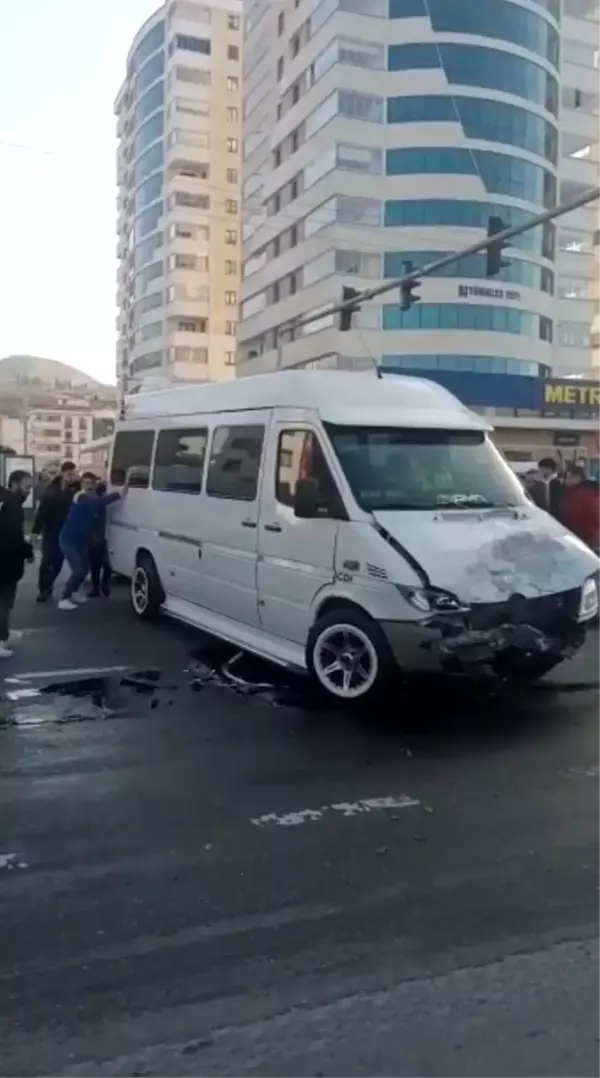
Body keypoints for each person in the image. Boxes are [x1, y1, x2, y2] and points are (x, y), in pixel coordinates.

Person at [58, 472, 122, 611]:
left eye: (92, 483)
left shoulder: (94, 498)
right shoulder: (80, 497)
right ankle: (64, 598)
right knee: (79, 570)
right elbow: (96, 504)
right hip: (68, 540)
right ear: (82, 484)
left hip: (81, 541)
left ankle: (74, 593)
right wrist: (119, 494)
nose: (89, 486)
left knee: (85, 568)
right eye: (86, 483)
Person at [31, 460, 79, 602]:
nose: (72, 477)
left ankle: (49, 584)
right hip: (51, 530)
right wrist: (35, 531)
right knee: (47, 560)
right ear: (62, 474)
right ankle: (43, 589)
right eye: (69, 474)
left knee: (58, 561)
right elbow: (42, 512)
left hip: (65, 531)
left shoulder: (76, 489)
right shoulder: (51, 490)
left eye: (74, 474)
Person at [0, 470, 35, 658]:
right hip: (5, 562)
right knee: (4, 602)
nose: (29, 491)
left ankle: (4, 634)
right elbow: (12, 535)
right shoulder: (12, 506)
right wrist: (27, 551)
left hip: (6, 560)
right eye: (27, 487)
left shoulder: (6, 502)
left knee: (5, 601)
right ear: (14, 485)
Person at [561, 465, 600, 553]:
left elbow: (573, 520)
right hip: (595, 538)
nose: (565, 481)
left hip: (585, 540)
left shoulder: (577, 495)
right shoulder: (594, 491)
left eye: (567, 477)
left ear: (576, 478)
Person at [88, 480, 112, 597]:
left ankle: (97, 587)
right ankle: (103, 584)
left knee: (96, 565)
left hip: (97, 538)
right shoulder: (102, 503)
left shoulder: (94, 502)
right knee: (106, 564)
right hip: (102, 538)